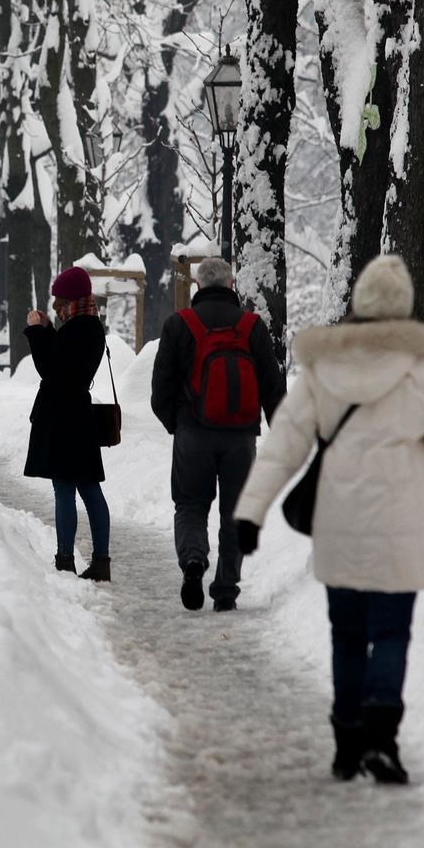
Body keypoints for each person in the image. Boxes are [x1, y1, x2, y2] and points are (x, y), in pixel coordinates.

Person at [233, 255, 424, 785]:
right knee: (390, 633)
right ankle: (382, 743)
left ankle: (347, 744)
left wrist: (251, 513)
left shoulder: (324, 371)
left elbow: (282, 447)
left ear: (360, 304)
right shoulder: (422, 374)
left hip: (339, 524)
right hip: (403, 525)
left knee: (346, 634)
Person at [150, 256, 285, 612]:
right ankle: (226, 588)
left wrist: (177, 423)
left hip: (193, 432)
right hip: (240, 436)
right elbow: (272, 385)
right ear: (230, 286)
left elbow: (160, 388)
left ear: (197, 286)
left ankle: (193, 560)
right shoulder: (252, 326)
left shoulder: (179, 324)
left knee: (191, 504)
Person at [24, 266, 113, 581]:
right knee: (89, 488)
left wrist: (36, 332)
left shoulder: (78, 329)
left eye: (58, 302)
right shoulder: (88, 326)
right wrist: (48, 330)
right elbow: (62, 360)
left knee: (64, 490)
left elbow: (51, 368)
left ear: (69, 300)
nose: (55, 308)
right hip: (80, 417)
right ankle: (101, 561)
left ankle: (64, 559)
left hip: (63, 419)